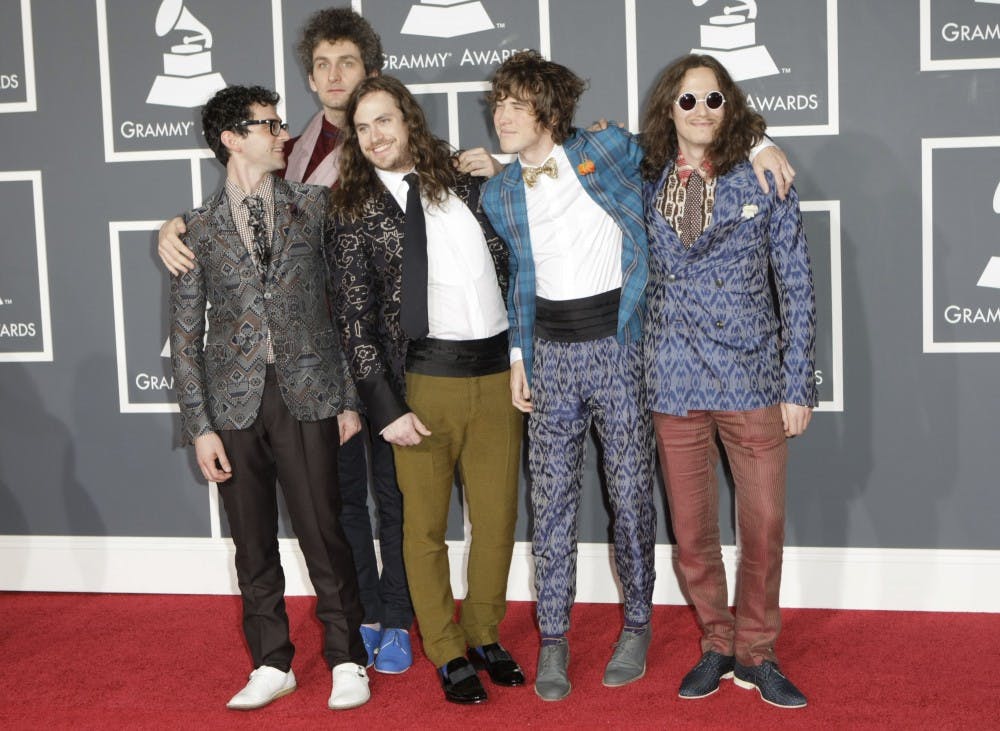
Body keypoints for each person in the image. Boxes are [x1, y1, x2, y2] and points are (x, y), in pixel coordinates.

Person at [480, 50, 795, 702]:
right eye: (498, 105)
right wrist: (518, 356)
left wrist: (762, 140)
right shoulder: (499, 191)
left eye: (516, 103)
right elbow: (519, 279)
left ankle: (639, 626)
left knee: (633, 502)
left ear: (547, 106)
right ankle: (555, 638)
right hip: (553, 361)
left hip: (623, 351)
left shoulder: (610, 151)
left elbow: (695, 127)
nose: (502, 115)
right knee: (552, 508)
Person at [169, 84, 370, 711]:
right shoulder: (194, 229)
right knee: (250, 541)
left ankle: (346, 658)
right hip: (232, 406)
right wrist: (199, 425)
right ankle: (271, 661)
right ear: (231, 139)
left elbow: (340, 311)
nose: (282, 135)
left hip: (307, 394)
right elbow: (184, 335)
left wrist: (345, 398)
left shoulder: (315, 205)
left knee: (323, 533)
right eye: (268, 125)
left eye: (281, 123)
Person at [329, 75, 524, 706]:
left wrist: (502, 170)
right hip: (422, 383)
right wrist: (386, 409)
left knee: (495, 521)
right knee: (423, 529)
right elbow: (354, 325)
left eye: (384, 120)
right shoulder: (351, 211)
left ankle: (484, 632)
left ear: (409, 121)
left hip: (497, 374)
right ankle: (443, 647)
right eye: (362, 128)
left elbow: (527, 252)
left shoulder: (471, 185)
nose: (375, 136)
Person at [640, 54, 817, 709]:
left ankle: (757, 652)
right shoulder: (642, 177)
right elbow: (578, 139)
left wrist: (799, 382)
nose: (702, 112)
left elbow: (796, 284)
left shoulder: (764, 178)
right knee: (692, 534)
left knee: (764, 524)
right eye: (687, 101)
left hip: (753, 378)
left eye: (714, 100)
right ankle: (716, 642)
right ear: (669, 109)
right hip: (673, 380)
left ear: (730, 106)